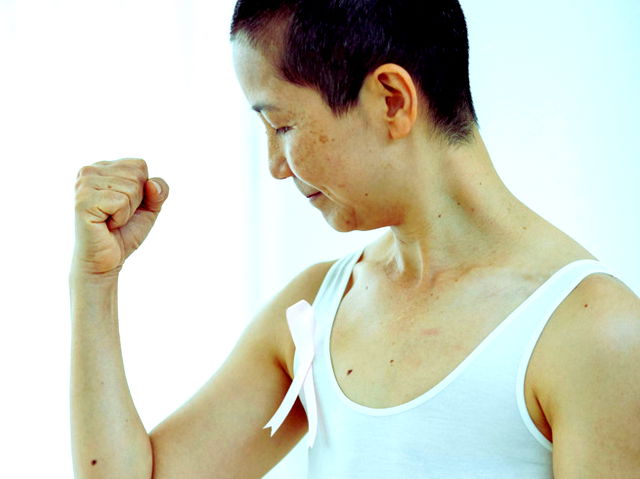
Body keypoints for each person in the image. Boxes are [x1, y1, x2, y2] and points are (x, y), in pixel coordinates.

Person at [69, 1, 640, 477]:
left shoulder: (592, 334)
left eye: (283, 125)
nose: (275, 164)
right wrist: (94, 281)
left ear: (391, 99)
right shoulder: (317, 308)